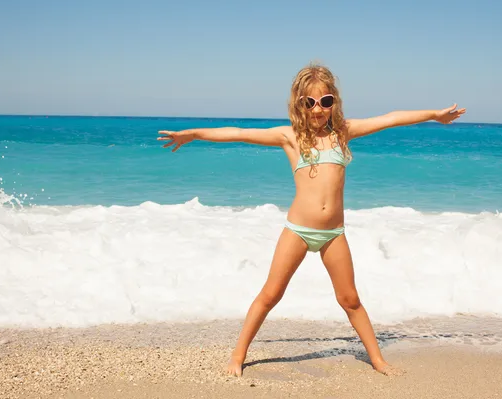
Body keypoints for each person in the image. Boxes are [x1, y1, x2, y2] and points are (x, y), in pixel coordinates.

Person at [157, 63, 466, 377]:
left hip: (333, 233)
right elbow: (239, 133)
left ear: (334, 103)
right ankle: (237, 357)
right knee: (270, 295)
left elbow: (390, 118)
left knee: (350, 299)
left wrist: (433, 115)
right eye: (310, 103)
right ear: (299, 104)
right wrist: (194, 134)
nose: (318, 110)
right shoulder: (290, 137)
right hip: (299, 231)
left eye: (326, 102)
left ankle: (378, 360)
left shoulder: (343, 132)